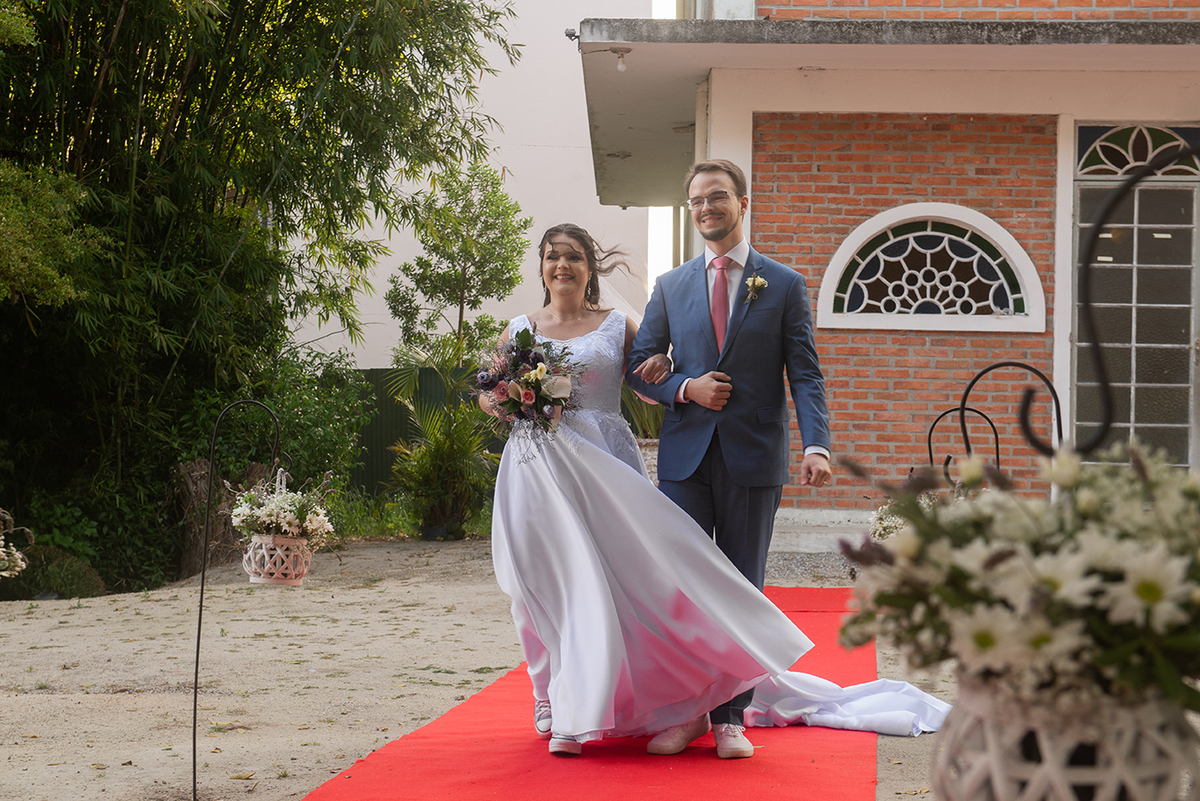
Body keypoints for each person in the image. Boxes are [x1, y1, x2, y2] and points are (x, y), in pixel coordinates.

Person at [485, 224, 948, 759]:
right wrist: (513, 399)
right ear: (540, 266)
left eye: (572, 257)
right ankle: (551, 697)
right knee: (536, 583)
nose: (561, 266)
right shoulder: (518, 329)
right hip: (535, 470)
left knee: (611, 585)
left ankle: (627, 705)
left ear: (591, 267)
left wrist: (670, 375)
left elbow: (647, 374)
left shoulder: (617, 324)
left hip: (604, 469)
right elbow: (488, 394)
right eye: (552, 257)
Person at [624, 159, 832, 758]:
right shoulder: (671, 285)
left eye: (717, 198)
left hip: (754, 454)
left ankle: (731, 717)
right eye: (695, 202)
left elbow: (807, 376)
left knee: (742, 585)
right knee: (683, 587)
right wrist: (685, 387)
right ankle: (686, 712)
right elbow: (642, 366)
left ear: (742, 202)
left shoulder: (785, 284)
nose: (705, 209)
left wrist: (817, 445)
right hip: (686, 458)